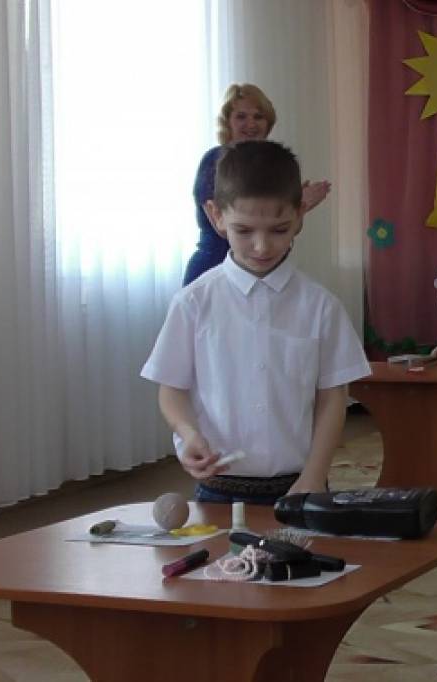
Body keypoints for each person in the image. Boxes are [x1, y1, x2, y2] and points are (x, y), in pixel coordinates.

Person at [142, 140, 371, 504]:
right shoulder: (193, 302)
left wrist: (314, 474)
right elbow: (171, 389)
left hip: (301, 484)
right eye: (244, 230)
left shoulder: (321, 307)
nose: (262, 246)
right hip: (218, 487)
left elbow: (333, 398)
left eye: (278, 230)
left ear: (299, 214)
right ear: (216, 216)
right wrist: (188, 433)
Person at [182, 83, 332, 286]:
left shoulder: (272, 164)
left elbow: (291, 230)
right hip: (216, 270)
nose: (251, 124)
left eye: (258, 116)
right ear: (227, 122)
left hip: (265, 273)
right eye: (241, 117)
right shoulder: (215, 161)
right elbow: (224, 229)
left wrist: (298, 209)